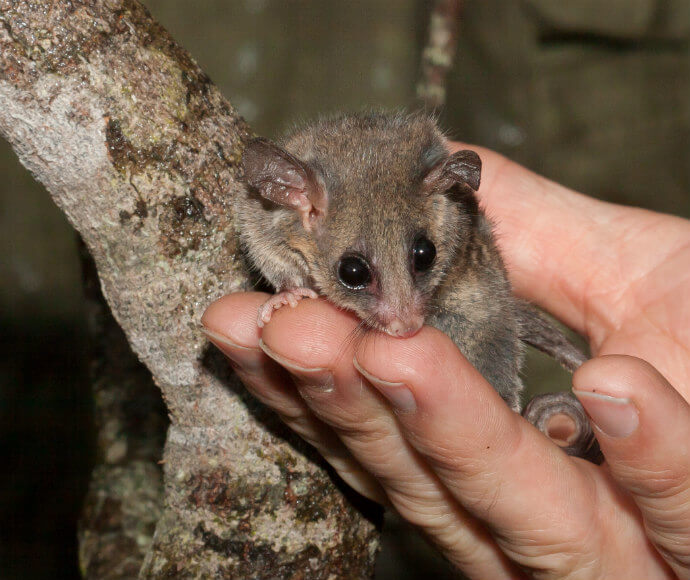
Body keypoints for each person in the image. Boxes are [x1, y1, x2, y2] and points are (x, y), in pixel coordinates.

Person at [202, 143, 690, 579]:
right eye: (356, 274)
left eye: (420, 255)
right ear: (301, 206)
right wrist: (290, 281)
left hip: (471, 319)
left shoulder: (434, 190)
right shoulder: (280, 212)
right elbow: (258, 226)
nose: (402, 318)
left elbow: (480, 287)